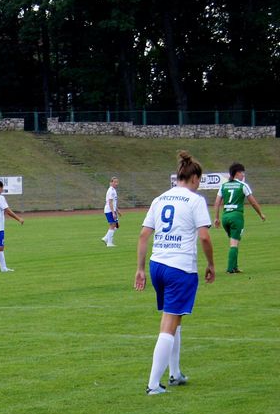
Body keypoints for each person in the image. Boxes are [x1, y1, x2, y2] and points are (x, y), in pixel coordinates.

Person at [135, 151, 215, 395]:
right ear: (194, 178)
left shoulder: (159, 199)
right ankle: (152, 385)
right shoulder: (195, 200)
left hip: (157, 264)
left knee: (174, 317)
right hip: (179, 267)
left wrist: (139, 269)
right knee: (169, 324)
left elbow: (143, 235)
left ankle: (175, 373)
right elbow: (204, 236)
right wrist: (211, 264)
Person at [213, 163, 266, 274]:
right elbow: (253, 202)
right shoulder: (242, 185)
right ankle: (230, 269)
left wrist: (216, 218)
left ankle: (235, 267)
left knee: (234, 241)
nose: (243, 175)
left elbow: (217, 202)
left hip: (225, 217)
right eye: (242, 173)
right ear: (237, 173)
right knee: (234, 243)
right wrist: (261, 214)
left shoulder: (224, 186)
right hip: (236, 217)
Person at [101, 176, 120, 247]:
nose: (116, 183)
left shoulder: (113, 190)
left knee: (116, 225)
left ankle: (106, 238)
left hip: (112, 210)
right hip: (109, 210)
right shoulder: (111, 191)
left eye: (117, 182)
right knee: (112, 225)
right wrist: (113, 212)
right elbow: (110, 202)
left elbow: (114, 202)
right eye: (114, 182)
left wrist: (117, 210)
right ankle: (109, 243)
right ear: (111, 183)